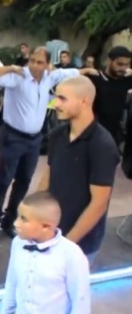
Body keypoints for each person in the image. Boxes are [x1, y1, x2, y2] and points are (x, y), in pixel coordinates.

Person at [0, 48, 95, 240]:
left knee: (24, 181)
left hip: (34, 140)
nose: (34, 65)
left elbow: (75, 73)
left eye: (40, 62)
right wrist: (10, 68)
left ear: (48, 64)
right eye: (32, 60)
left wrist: (90, 71)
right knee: (4, 180)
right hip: (12, 137)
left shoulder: (51, 76)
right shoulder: (17, 77)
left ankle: (10, 221)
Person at [36, 76, 120, 265]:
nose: (55, 104)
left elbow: (99, 204)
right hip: (50, 233)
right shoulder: (58, 135)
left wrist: (65, 244)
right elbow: (49, 175)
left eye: (63, 98)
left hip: (79, 245)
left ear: (84, 101)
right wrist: (33, 215)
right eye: (55, 97)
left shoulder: (102, 145)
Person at [85, 46, 132, 148]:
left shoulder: (126, 80)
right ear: (109, 61)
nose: (123, 68)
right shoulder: (94, 78)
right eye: (119, 64)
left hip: (113, 137)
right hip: (92, 134)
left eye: (127, 64)